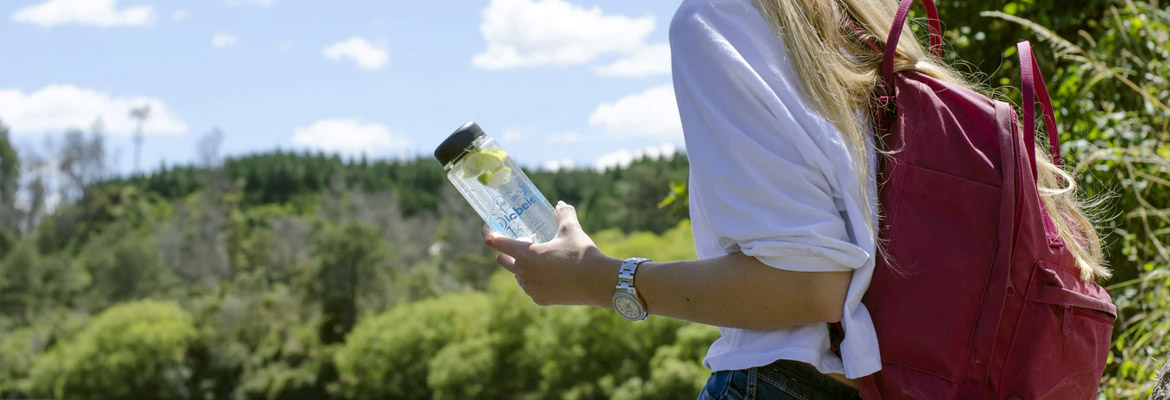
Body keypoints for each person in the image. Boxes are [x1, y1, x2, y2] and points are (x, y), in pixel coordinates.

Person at [483, 0, 1107, 398]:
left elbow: (810, 282)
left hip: (784, 382)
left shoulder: (715, 18)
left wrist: (600, 279)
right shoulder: (848, 14)